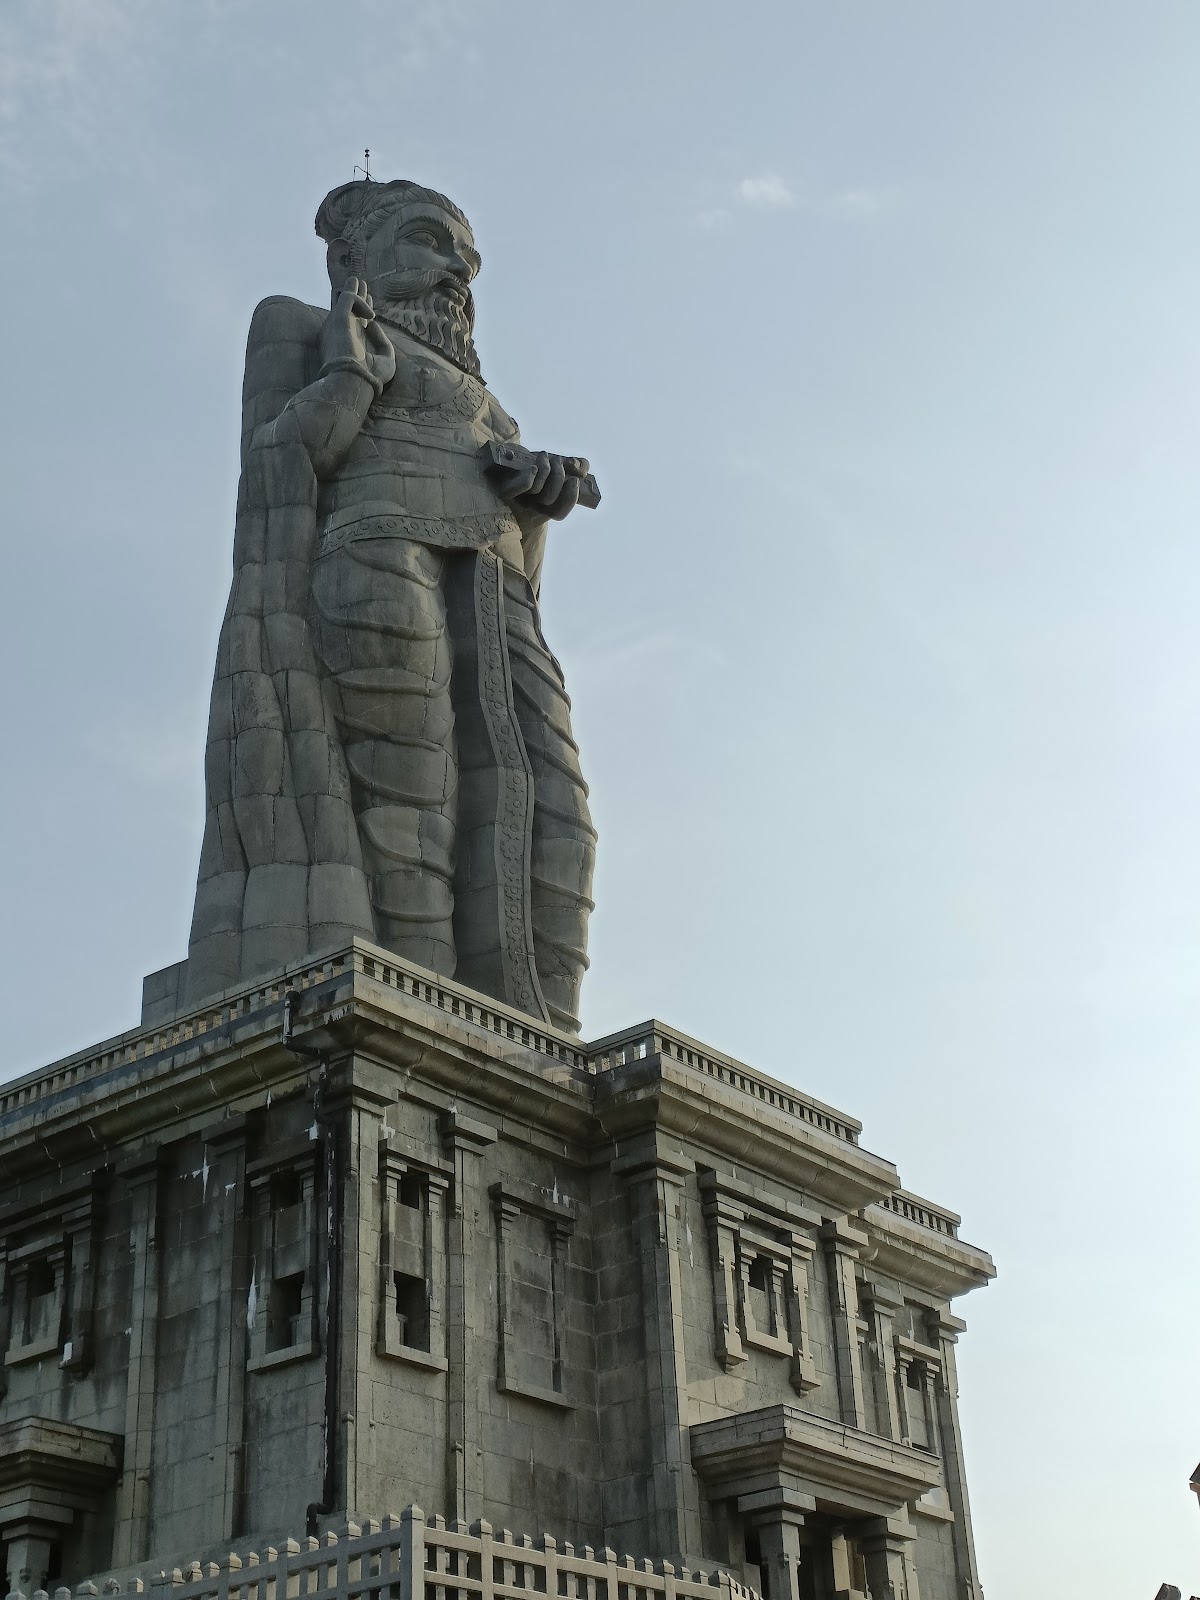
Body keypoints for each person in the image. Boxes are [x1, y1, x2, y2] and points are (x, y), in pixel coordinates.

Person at [185, 179, 596, 1033]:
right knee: (411, 808)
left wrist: (535, 499)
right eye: (428, 241)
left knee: (555, 811)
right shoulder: (296, 323)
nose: (456, 271)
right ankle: (415, 1026)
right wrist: (348, 375)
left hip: (495, 586)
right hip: (376, 557)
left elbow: (519, 538)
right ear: (351, 257)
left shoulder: (495, 403)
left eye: (467, 259)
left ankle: (541, 1040)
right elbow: (276, 465)